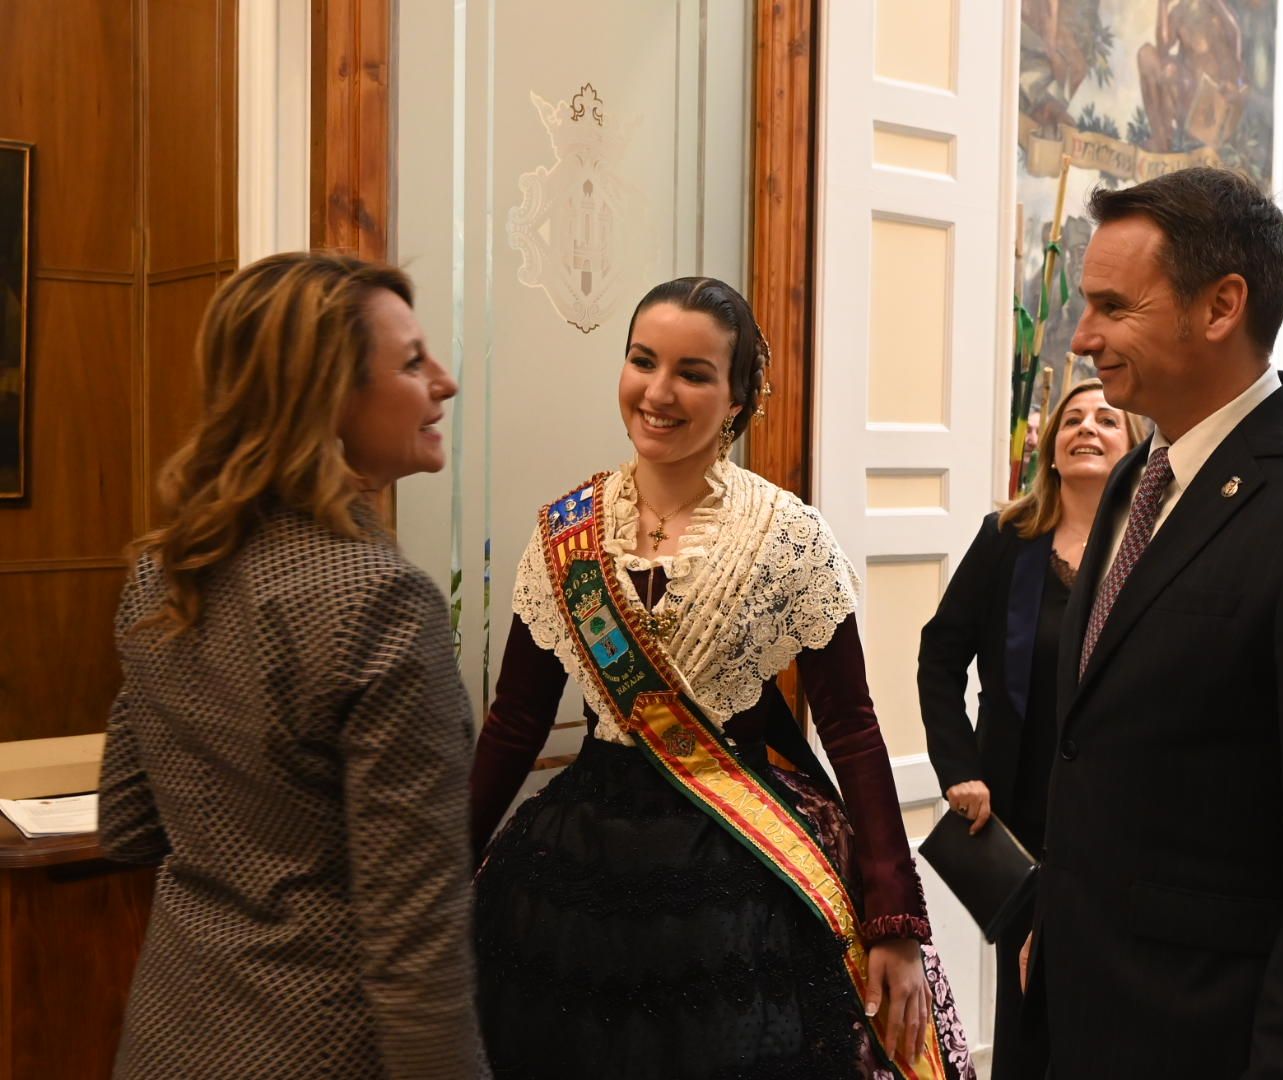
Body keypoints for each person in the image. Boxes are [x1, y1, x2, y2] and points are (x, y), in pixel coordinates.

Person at [470, 277, 974, 1079]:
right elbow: (514, 723)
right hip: (579, 872)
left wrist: (892, 917)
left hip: (744, 876)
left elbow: (851, 727)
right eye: (643, 361)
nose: (658, 392)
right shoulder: (564, 532)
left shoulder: (790, 537)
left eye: (694, 373)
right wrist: (446, 868)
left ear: (741, 397)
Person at [1020, 167, 1283, 1077]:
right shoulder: (1142, 480)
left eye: (1111, 306)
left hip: (1221, 1040)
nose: (1084, 335)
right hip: (1087, 1016)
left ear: (1221, 306)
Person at [97, 253, 486, 1079]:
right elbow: (415, 949)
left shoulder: (163, 572)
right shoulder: (379, 600)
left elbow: (128, 823)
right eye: (412, 361)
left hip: (170, 1035)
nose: (443, 383)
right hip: (321, 1048)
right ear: (328, 400)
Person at [917, 378, 1140, 1078]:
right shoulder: (1007, 541)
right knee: (1026, 1002)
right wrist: (959, 768)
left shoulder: (1156, 547)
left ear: (1136, 448)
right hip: (1018, 813)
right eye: (1072, 419)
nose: (1087, 428)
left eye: (1108, 419)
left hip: (1123, 813)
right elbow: (940, 658)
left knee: (1114, 1002)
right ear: (1049, 450)